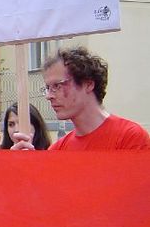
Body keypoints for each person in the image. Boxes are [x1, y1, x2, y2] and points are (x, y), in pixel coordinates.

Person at [12, 48, 150, 151]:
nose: (49, 96)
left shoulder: (130, 138)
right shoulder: (58, 150)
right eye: (48, 88)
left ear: (88, 84)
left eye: (57, 86)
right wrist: (28, 166)